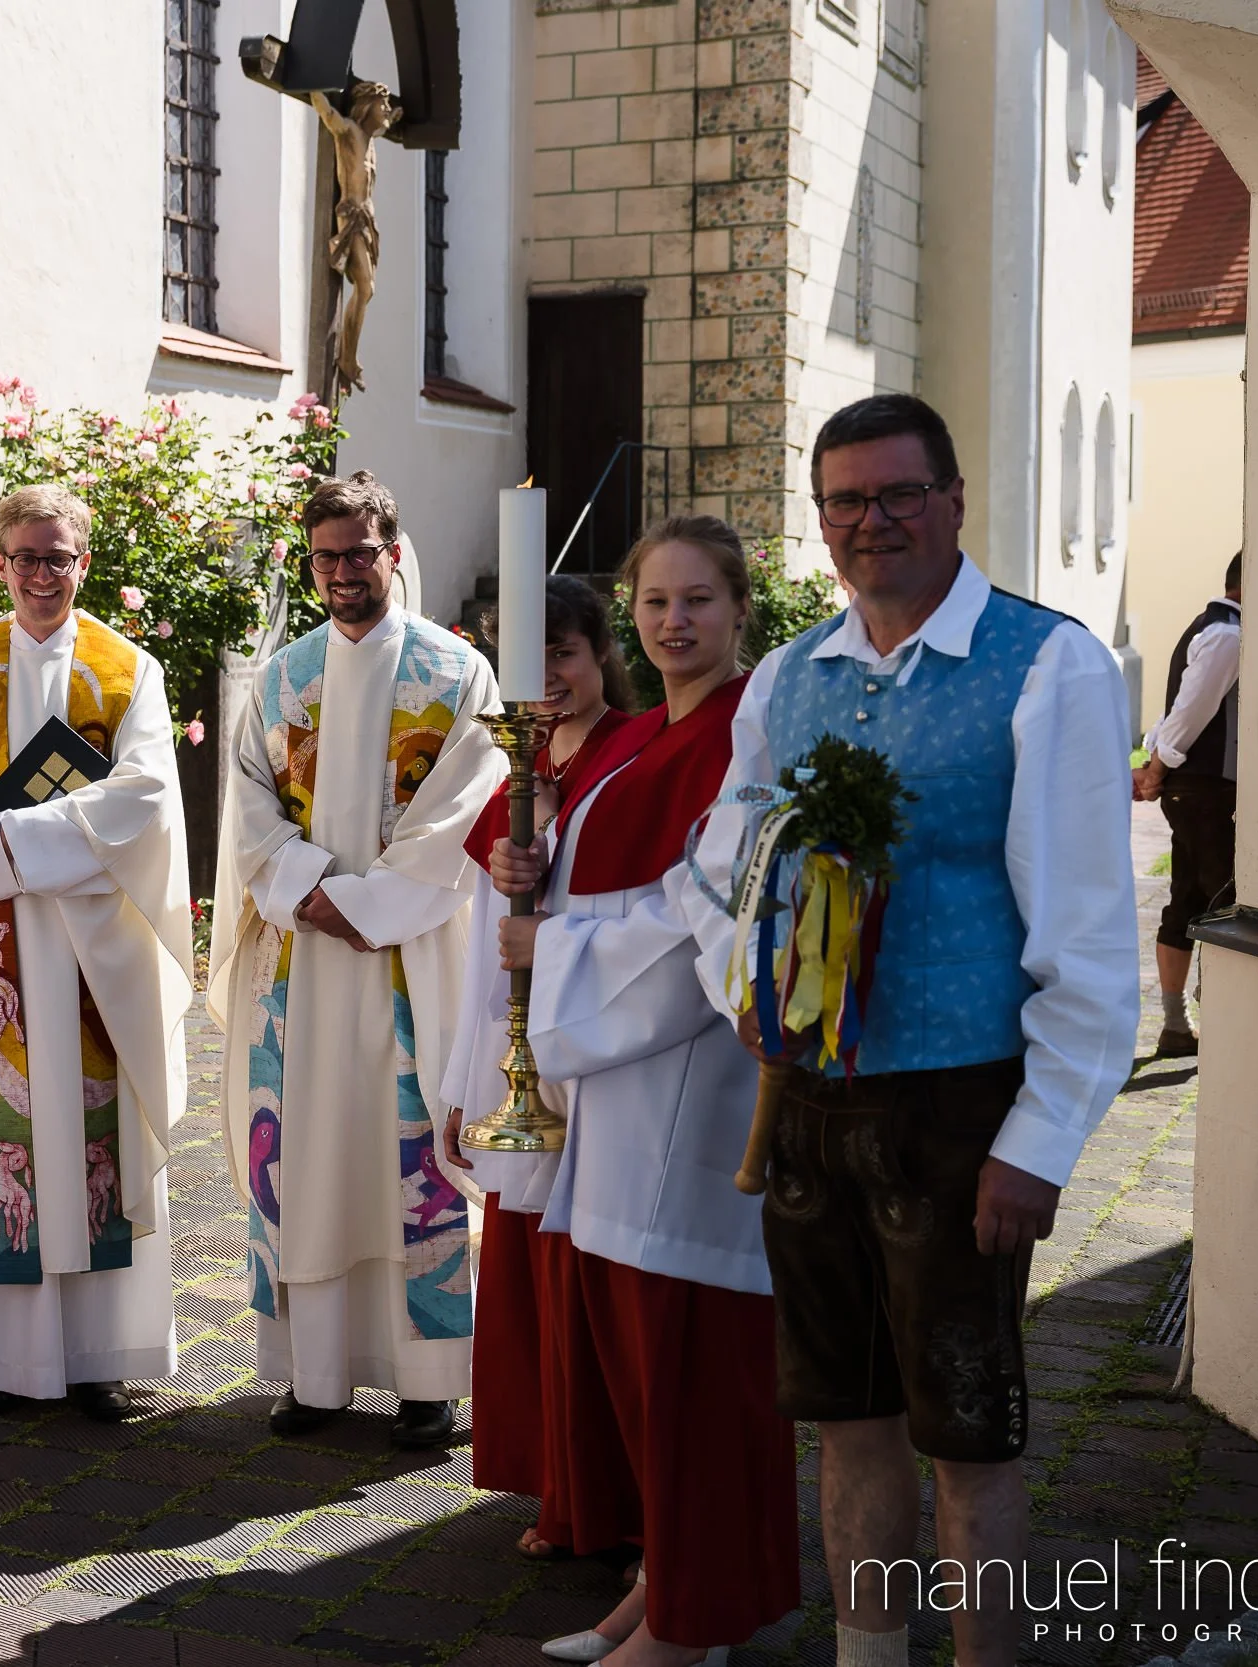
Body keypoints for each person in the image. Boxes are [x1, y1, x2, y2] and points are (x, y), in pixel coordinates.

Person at [680, 395, 1138, 1667]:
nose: (870, 520)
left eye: (897, 494)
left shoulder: (1046, 664)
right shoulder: (788, 674)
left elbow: (1089, 935)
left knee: (968, 1439)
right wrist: (742, 979)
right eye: (845, 500)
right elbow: (723, 859)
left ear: (951, 500)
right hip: (811, 1101)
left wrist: (1038, 1139)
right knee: (847, 1423)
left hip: (959, 1107)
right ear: (820, 517)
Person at [480, 520, 800, 1664]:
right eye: (655, 601)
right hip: (618, 1087)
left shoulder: (743, 728)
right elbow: (599, 869)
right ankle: (666, 1586)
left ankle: (692, 1622)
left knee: (690, 1361)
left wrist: (556, 952)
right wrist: (533, 864)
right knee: (643, 1357)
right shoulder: (640, 736)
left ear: (739, 608)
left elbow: (703, 916)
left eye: (698, 599)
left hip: (687, 1078)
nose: (674, 621)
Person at [0, 484, 193, 1420]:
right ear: (0, 563)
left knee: (91, 1140)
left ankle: (97, 1355)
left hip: (92, 951)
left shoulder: (127, 671)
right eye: (24, 556)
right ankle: (2, 1360)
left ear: (84, 563)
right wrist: (5, 853)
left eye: (58, 557)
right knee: (8, 1148)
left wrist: (12, 841)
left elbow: (145, 793)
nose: (41, 574)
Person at [211, 470, 503, 1449]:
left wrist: (366, 904)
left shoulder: (455, 673)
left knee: (408, 1156)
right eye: (325, 556)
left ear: (393, 551)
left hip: (410, 956)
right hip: (302, 963)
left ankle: (427, 1381)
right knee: (306, 1159)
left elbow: (464, 803)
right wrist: (305, 889)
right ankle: (316, 1373)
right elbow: (248, 802)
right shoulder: (282, 677)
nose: (342, 571)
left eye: (359, 552)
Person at [441, 575, 633, 1560]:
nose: (548, 675)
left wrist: (551, 833)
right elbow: (482, 948)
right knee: (529, 1284)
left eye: (563, 651)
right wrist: (463, 1083)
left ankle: (607, 1499)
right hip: (517, 1060)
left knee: (592, 1290)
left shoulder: (629, 754)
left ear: (601, 653)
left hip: (596, 1060)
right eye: (527, 657)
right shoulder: (516, 768)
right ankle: (558, 1483)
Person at [1131, 551, 1241, 1057]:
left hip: (1195, 789)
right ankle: (1214, 1023)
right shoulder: (1227, 635)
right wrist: (1157, 768)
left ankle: (1177, 1026)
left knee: (1190, 898)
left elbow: (1176, 710)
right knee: (1223, 904)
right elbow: (1189, 713)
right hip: (1205, 790)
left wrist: (1154, 759)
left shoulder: (1211, 627)